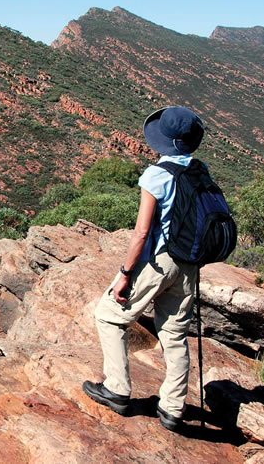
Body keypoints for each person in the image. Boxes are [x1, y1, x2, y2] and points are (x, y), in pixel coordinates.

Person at [82, 106, 205, 432]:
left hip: (159, 262)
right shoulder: (199, 170)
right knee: (175, 335)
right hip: (189, 266)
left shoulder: (157, 175)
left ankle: (117, 389)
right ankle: (173, 408)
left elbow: (141, 233)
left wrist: (125, 274)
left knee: (109, 315)